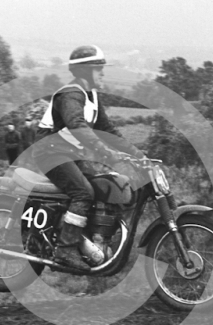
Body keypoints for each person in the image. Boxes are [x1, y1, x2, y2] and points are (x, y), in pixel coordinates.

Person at [32, 44, 146, 270]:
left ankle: (91, 242)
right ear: (85, 70)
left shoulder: (91, 96)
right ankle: (65, 250)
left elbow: (108, 130)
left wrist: (139, 155)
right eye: (98, 68)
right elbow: (77, 126)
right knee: (83, 192)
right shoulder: (70, 94)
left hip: (70, 154)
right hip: (50, 152)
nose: (102, 72)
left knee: (103, 187)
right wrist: (106, 153)